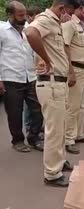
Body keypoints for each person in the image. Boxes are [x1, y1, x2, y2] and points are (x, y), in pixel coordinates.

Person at [25, 0, 79, 186]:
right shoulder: (46, 19)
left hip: (58, 84)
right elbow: (30, 32)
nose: (70, 17)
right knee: (54, 131)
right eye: (69, 13)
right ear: (62, 8)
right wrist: (47, 61)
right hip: (51, 83)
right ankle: (52, 174)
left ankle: (59, 161)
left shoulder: (55, 23)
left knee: (61, 127)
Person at [0, 1, 44, 153]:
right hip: (11, 78)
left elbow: (33, 51)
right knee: (14, 113)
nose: (24, 17)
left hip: (31, 76)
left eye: (25, 14)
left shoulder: (28, 30)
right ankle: (18, 140)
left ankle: (34, 138)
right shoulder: (1, 30)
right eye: (20, 15)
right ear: (10, 14)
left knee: (38, 109)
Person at [62, 0, 84, 155]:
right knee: (72, 106)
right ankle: (68, 139)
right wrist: (70, 72)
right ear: (80, 9)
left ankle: (78, 134)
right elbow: (65, 47)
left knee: (82, 105)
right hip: (76, 69)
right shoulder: (69, 25)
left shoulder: (81, 26)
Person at [24, 5, 43, 133]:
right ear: (29, 17)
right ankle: (28, 126)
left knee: (37, 103)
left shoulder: (38, 30)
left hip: (37, 71)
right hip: (27, 72)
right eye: (37, 17)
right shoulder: (25, 31)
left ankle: (35, 127)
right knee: (29, 105)